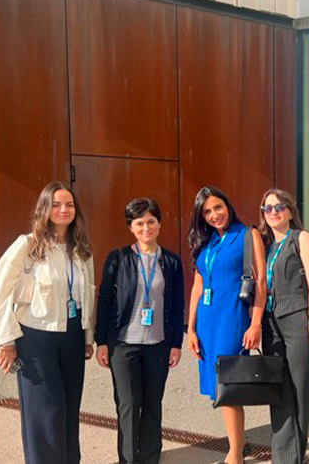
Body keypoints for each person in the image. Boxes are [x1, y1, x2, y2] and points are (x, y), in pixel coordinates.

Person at [0, 181, 95, 464]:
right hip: (36, 338)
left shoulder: (81, 249)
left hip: (71, 334)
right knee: (46, 411)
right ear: (44, 209)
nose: (63, 210)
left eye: (69, 205)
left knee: (70, 407)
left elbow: (88, 292)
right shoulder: (28, 245)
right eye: (56, 204)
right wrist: (6, 341)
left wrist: (86, 337)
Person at [95, 198, 185, 464]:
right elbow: (104, 301)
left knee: (152, 406)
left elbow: (177, 301)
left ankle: (150, 459)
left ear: (159, 224)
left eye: (151, 221)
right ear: (131, 228)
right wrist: (102, 341)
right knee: (129, 406)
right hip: (124, 345)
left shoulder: (171, 261)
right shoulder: (119, 258)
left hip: (158, 344)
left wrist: (176, 343)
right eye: (139, 223)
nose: (146, 227)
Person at [186, 186, 266, 464]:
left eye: (217, 207)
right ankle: (236, 444)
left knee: (228, 386)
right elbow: (198, 285)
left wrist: (255, 323)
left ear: (228, 206)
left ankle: (235, 455)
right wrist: (191, 328)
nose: (213, 214)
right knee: (220, 388)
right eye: (206, 211)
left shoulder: (247, 235)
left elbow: (261, 284)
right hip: (207, 323)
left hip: (232, 319)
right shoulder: (206, 242)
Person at [258, 188, 309, 464]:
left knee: (299, 393)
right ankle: (282, 456)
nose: (274, 212)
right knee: (277, 393)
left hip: (299, 321)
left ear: (290, 210)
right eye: (268, 208)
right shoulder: (265, 245)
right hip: (271, 326)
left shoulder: (301, 238)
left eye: (279, 207)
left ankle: (292, 459)